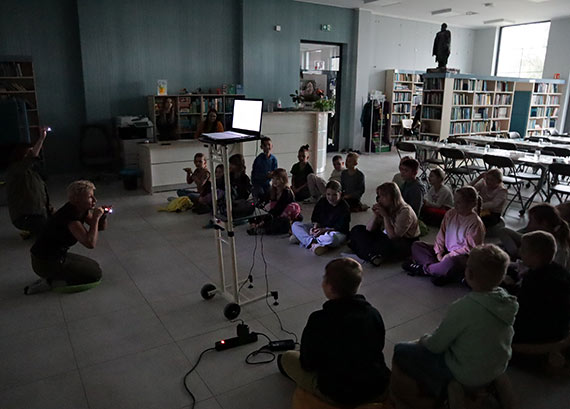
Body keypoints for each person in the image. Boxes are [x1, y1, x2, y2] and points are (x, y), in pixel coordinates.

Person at [391, 244, 518, 409]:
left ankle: (444, 394)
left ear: (469, 273)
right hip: (497, 366)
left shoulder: (464, 307)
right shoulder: (507, 303)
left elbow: (436, 346)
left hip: (465, 373)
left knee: (402, 349)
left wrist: (423, 340)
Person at [278, 258, 391, 407]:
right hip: (377, 384)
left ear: (329, 287)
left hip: (340, 392)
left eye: (325, 278)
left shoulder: (320, 320)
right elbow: (378, 346)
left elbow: (308, 363)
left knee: (286, 358)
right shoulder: (372, 313)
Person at [26, 180, 107, 294]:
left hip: (55, 255)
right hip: (44, 262)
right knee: (95, 274)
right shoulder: (70, 217)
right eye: (90, 197)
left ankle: (53, 276)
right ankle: (51, 282)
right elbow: (90, 243)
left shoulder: (80, 209)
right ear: (76, 200)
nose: (95, 200)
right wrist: (96, 218)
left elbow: (100, 228)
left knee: (94, 266)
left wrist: (103, 217)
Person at [403, 186, 485, 287]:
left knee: (451, 263)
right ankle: (440, 271)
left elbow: (470, 248)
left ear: (471, 204)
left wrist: (448, 256)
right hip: (446, 251)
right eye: (455, 201)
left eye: (459, 202)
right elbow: (441, 234)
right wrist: (439, 251)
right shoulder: (451, 213)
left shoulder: (475, 222)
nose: (455, 204)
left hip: (460, 257)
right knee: (417, 246)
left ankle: (424, 269)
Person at [509, 231, 570, 352]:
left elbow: (521, 311)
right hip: (560, 329)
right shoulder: (560, 271)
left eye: (523, 250)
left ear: (535, 256)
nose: (520, 252)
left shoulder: (534, 280)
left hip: (540, 333)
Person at [348, 182, 419, 266]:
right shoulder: (385, 207)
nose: (379, 199)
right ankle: (371, 255)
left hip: (403, 241)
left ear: (392, 197)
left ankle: (366, 252)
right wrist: (376, 215)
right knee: (357, 229)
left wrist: (385, 216)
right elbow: (369, 229)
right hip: (385, 235)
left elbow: (393, 236)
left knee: (381, 244)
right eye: (379, 196)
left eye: (383, 196)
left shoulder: (405, 211)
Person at [6, 126, 52, 238]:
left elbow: (41, 195)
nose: (33, 154)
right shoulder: (16, 170)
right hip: (25, 217)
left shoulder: (32, 173)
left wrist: (50, 210)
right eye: (29, 152)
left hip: (38, 214)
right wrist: (41, 139)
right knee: (51, 233)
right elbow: (31, 158)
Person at [290, 180, 350, 256]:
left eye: (334, 195)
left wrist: (324, 230)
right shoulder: (322, 201)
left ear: (340, 194)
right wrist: (315, 227)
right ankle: (313, 243)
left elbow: (341, 227)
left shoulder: (344, 207)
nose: (331, 197)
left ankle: (305, 240)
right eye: (328, 194)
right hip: (321, 228)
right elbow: (315, 218)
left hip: (334, 231)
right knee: (295, 225)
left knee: (332, 238)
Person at [247, 168, 300, 235]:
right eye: (273, 179)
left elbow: (278, 210)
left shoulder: (287, 192)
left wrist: (263, 221)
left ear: (283, 180)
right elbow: (264, 201)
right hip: (274, 213)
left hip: (283, 215)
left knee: (279, 222)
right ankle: (258, 225)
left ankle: (262, 229)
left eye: (277, 179)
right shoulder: (273, 190)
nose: (274, 181)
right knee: (256, 214)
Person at [251, 137, 278, 203]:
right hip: (258, 183)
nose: (267, 147)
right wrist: (266, 176)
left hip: (267, 183)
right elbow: (255, 174)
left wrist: (272, 175)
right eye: (265, 145)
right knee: (261, 194)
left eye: (269, 145)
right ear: (261, 147)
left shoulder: (273, 159)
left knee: (272, 194)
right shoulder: (259, 159)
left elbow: (275, 172)